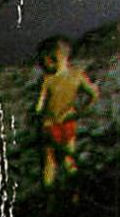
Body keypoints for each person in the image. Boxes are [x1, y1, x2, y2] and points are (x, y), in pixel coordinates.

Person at [35, 36, 99, 189]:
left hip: (51, 123)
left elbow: (38, 107)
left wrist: (38, 118)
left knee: (50, 160)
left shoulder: (48, 80)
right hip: (68, 119)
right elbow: (94, 94)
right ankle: (75, 192)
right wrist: (80, 111)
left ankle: (49, 194)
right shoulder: (77, 75)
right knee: (68, 158)